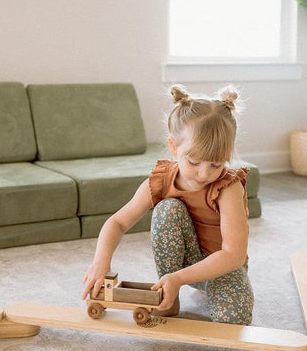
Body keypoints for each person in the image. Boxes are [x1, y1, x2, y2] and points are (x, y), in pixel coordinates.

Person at [81, 85, 253, 325]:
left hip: (222, 267)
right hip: (181, 267)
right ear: (173, 147)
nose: (204, 174)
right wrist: (101, 261)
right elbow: (118, 222)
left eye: (216, 164)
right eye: (194, 162)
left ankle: (187, 286)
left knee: (234, 321)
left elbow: (233, 255)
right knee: (167, 209)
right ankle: (168, 299)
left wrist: (179, 279)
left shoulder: (228, 187)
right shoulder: (161, 180)